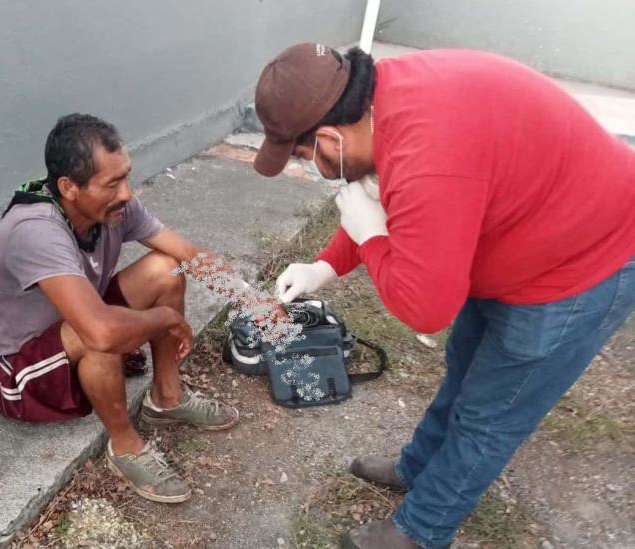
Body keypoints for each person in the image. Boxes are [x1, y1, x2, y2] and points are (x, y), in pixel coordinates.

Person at [253, 43, 635, 548]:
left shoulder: (430, 155)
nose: (310, 167)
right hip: (524, 228)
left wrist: (371, 239)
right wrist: (325, 265)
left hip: (582, 263)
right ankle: (418, 467)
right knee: (465, 364)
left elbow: (425, 308)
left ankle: (421, 530)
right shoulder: (383, 101)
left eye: (305, 157)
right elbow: (386, 204)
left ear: (329, 136)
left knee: (491, 413)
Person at [0, 113, 239, 504]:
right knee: (100, 336)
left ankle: (167, 399)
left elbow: (185, 254)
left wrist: (254, 301)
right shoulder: (35, 229)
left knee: (167, 269)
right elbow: (99, 330)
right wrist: (164, 318)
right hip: (16, 374)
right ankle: (126, 445)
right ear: (69, 188)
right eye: (112, 183)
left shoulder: (114, 208)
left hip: (72, 326)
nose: (127, 193)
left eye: (126, 176)